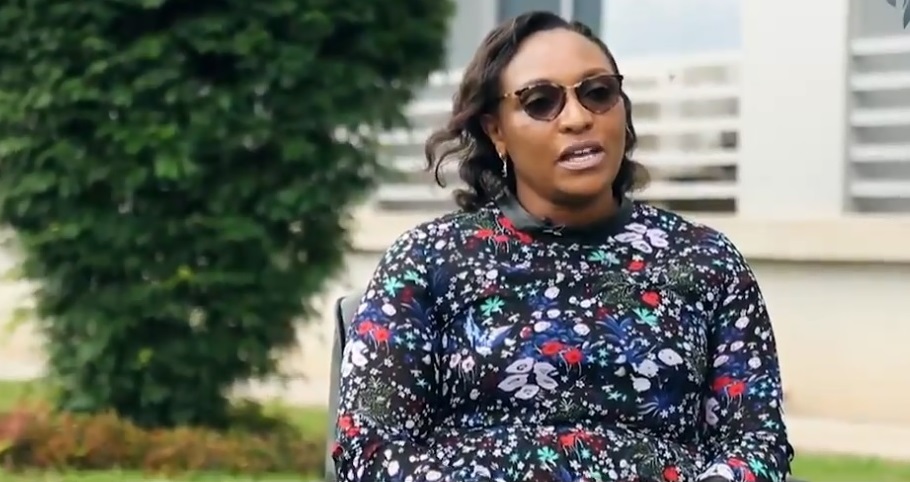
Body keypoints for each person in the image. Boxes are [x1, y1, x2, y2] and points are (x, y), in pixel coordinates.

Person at [333, 10, 794, 482]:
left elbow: (756, 445)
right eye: (540, 102)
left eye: (598, 93)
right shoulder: (428, 260)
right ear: (496, 130)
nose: (577, 118)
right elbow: (371, 447)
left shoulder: (705, 259)